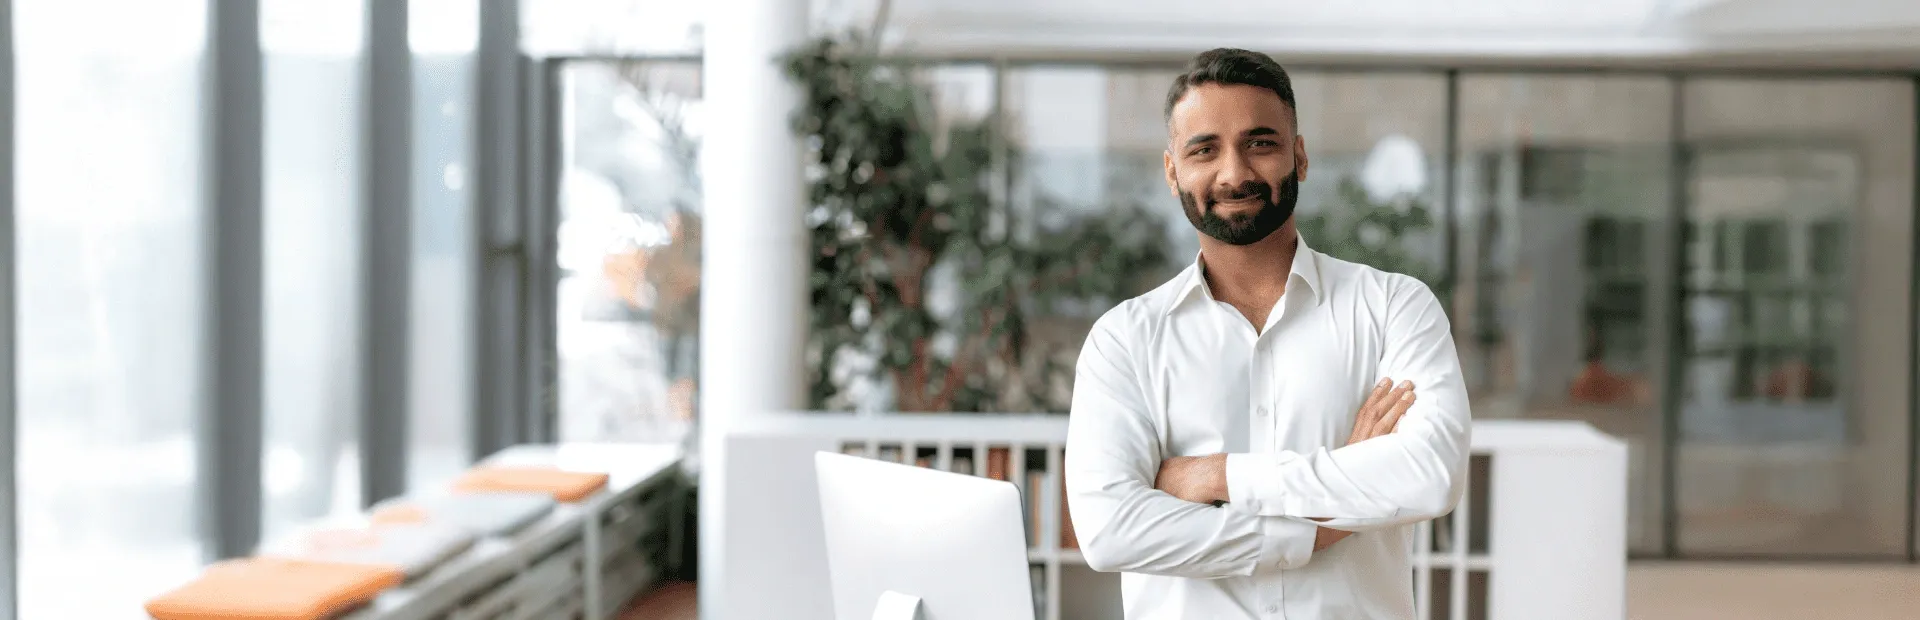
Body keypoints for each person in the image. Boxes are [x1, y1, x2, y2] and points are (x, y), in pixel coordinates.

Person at [1063, 48, 1472, 619]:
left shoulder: (1394, 307)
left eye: (1260, 143)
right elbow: (1110, 531)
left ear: (1299, 156)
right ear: (1171, 170)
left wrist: (1216, 475)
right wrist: (1325, 516)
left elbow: (1430, 476)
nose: (1234, 172)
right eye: (1204, 149)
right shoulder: (1124, 340)